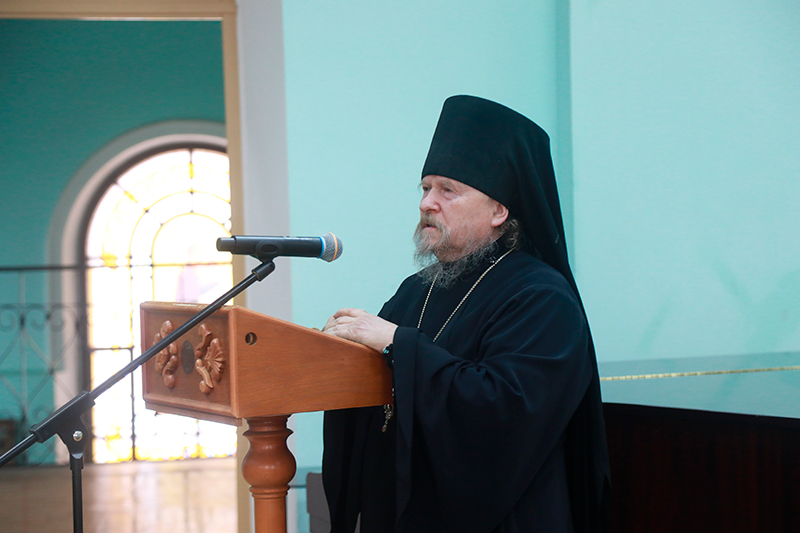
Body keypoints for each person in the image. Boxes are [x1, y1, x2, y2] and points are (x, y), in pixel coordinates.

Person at [321, 95, 611, 533]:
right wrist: (338, 352)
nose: (427, 203)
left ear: (499, 210)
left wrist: (398, 344)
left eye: (447, 190)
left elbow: (504, 413)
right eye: (425, 188)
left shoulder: (542, 297)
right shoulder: (416, 289)